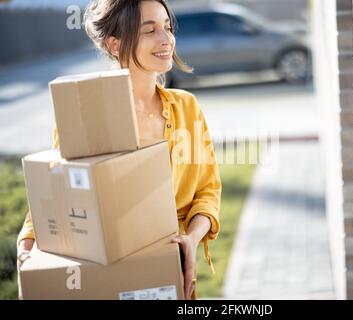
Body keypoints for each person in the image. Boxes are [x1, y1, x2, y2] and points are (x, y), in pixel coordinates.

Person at [16, 0, 221, 300]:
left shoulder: (186, 108)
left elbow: (207, 192)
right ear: (115, 44)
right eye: (149, 30)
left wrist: (190, 240)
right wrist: (27, 248)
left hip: (166, 271)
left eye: (167, 27)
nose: (166, 39)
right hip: (106, 276)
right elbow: (58, 191)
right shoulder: (88, 116)